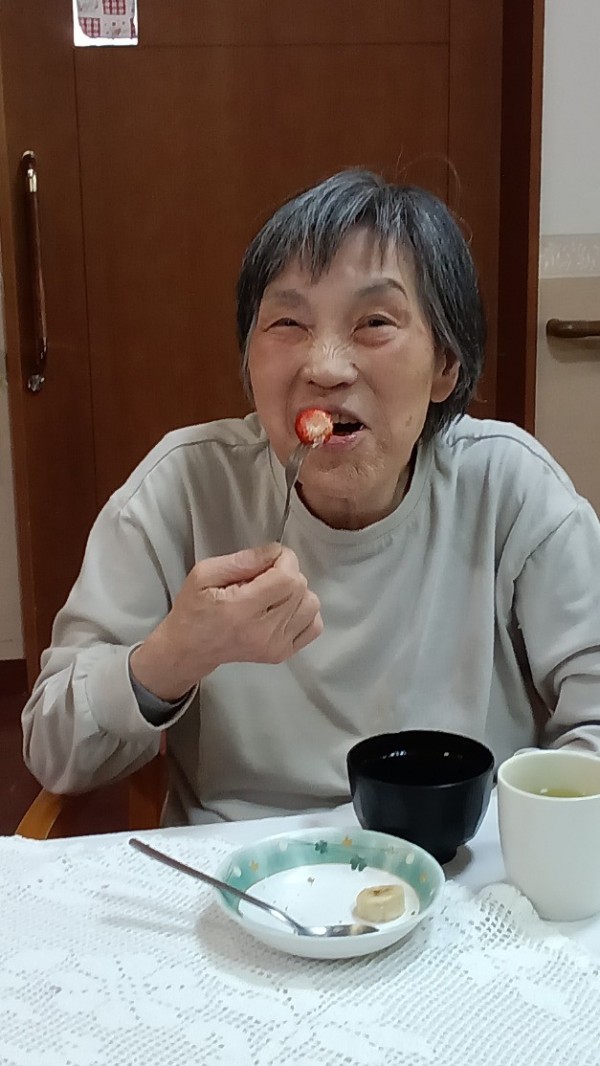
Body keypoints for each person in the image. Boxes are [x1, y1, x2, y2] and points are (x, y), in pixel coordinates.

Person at [22, 170, 600, 826]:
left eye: (374, 322)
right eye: (288, 322)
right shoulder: (183, 489)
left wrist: (536, 834)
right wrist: (175, 655)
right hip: (240, 870)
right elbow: (53, 750)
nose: (325, 366)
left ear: (445, 364)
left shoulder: (508, 489)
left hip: (457, 860)